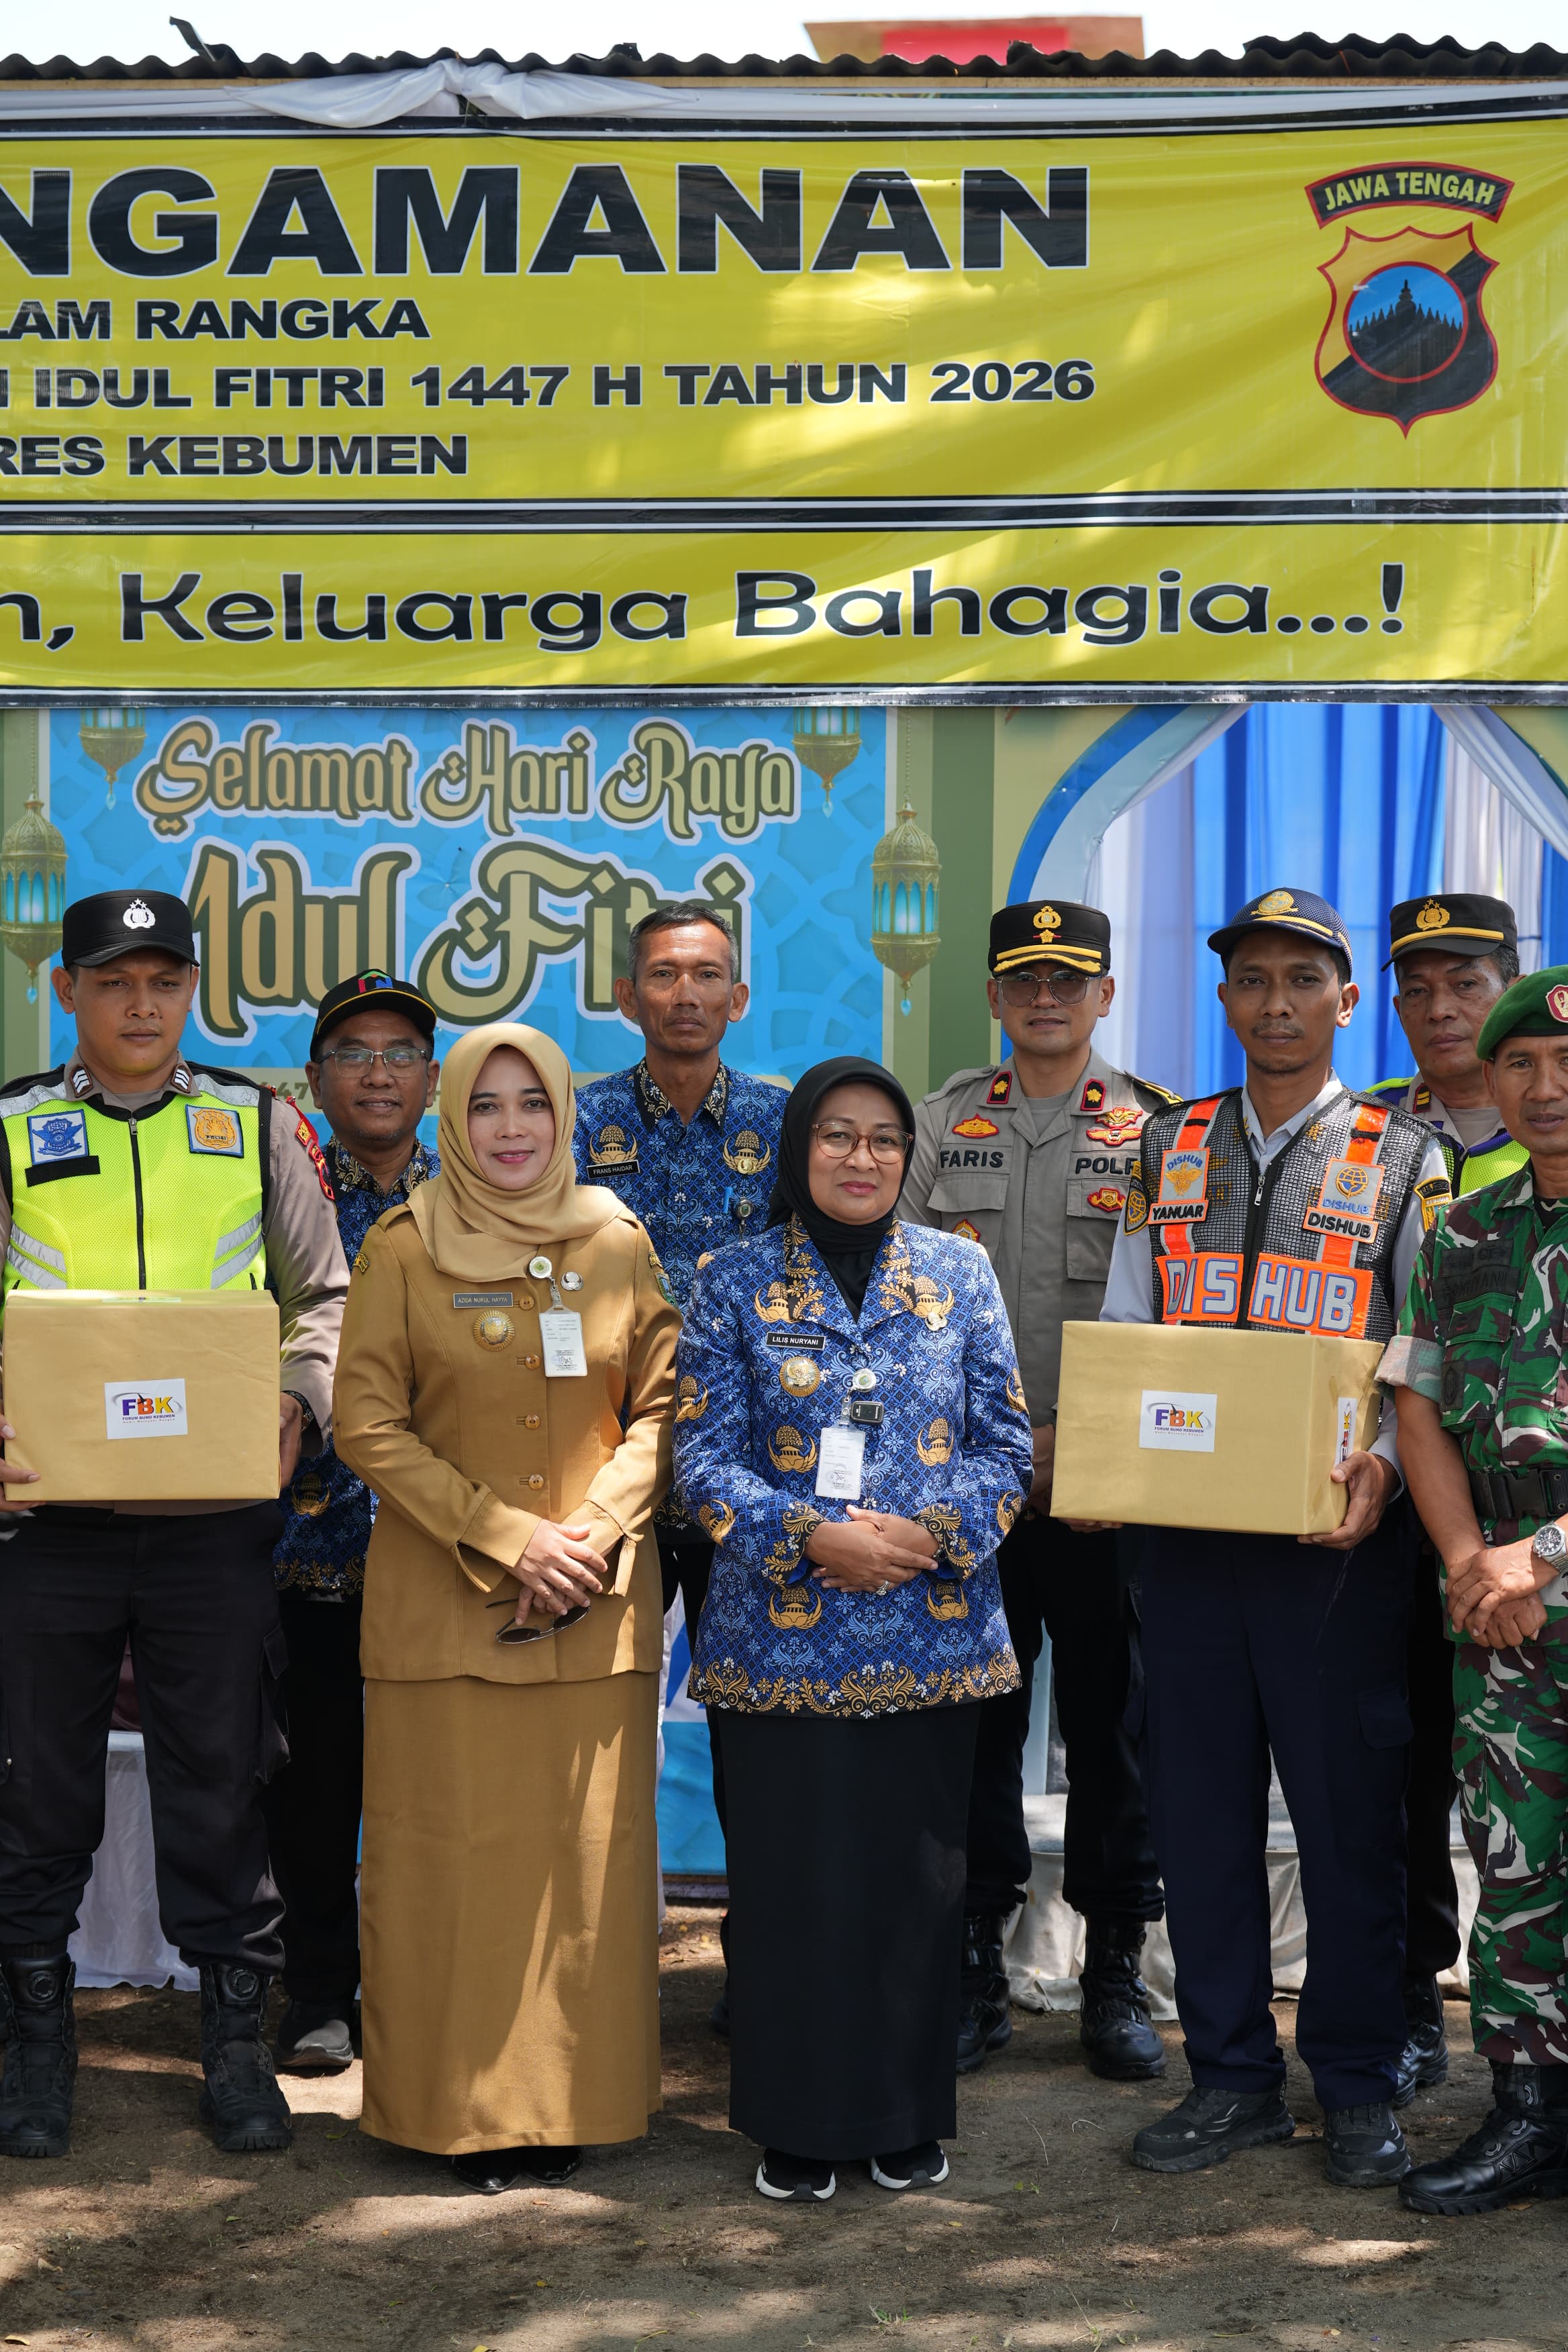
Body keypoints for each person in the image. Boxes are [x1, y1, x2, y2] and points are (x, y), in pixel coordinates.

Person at [1098, 887, 1451, 2187]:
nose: (1276, 1004)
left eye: (1303, 980)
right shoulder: (1165, 1143)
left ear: (1346, 1003)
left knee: (1348, 1816)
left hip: (1337, 1542)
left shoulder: (1405, 1154)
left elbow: (1421, 1345)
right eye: (1252, 980)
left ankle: (1356, 2081)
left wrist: (1383, 1467)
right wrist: (1110, 1456)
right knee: (1197, 1814)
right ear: (1224, 1000)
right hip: (1189, 1542)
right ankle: (1232, 2076)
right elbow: (1130, 1327)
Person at [0, 889, 346, 2159]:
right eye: (113, 981)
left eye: (163, 980)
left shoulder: (255, 1123)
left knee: (222, 1784)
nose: (141, 1004)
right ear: (67, 993)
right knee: (37, 1789)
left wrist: (299, 1405)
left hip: (212, 1524)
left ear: (193, 990)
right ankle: (37, 2049)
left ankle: (234, 2047)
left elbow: (325, 1295)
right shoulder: (10, 1126)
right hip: (50, 1526)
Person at [674, 1055, 1032, 2203]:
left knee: (914, 1890)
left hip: (929, 1633)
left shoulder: (959, 1271)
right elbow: (699, 1458)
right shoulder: (731, 1278)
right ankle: (796, 2121)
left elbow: (1007, 1447)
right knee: (793, 1890)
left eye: (883, 1138)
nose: (861, 1157)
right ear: (799, 1150)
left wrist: (928, 1533)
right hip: (780, 1643)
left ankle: (902, 2116)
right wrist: (809, 1537)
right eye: (836, 1135)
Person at [333, 1022, 678, 2193]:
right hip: (444, 1617)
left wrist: (595, 1530)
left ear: (565, 1114)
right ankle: (457, 2113)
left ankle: (572, 2103)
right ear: (453, 1118)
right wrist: (507, 1536)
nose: (513, 1128)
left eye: (534, 1104)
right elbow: (365, 1423)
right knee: (449, 1868)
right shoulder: (403, 1245)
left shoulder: (616, 1241)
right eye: (487, 1105)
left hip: (593, 1608)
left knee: (583, 1872)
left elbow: (663, 1409)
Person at [899, 899, 1176, 2081]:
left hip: (1108, 1487)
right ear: (996, 998)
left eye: (1071, 979)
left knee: (1116, 1729)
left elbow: (1177, 1318)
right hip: (969, 1488)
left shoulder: (1161, 1132)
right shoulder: (934, 1124)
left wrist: (1081, 1443)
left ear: (1106, 994)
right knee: (975, 1723)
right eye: (1026, 980)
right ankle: (974, 1963)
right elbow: (898, 1303)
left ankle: (1114, 1967)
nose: (1047, 998)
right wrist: (993, 1455)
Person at [574, 899, 786, 2024]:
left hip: (750, 1475)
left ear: (737, 997)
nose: (686, 994)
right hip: (606, 1473)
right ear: (628, 997)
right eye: (663, 975)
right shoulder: (575, 1122)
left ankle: (766, 1968)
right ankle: (602, 1969)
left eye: (707, 975)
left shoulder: (788, 1122)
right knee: (600, 1732)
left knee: (759, 1724)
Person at [1381, 965, 1568, 2215]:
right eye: (1522, 1066)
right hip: (1498, 1603)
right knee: (1517, 1858)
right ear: (1490, 1084)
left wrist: (1539, 1558)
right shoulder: (1463, 1231)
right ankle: (1530, 2110)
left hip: (1532, 1568)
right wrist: (1466, 1563)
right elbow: (1420, 1404)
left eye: (1567, 1065)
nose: (1546, 1087)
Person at [262, 970, 440, 2077]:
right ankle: (320, 1995)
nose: (378, 1073)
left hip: (439, 1553)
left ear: (433, 1078)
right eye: (354, 1054)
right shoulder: (281, 1189)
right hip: (306, 1547)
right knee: (315, 1789)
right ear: (316, 1078)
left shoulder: (474, 1193)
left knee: (434, 1793)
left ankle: (424, 1996)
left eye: (400, 1053)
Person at [1365, 894, 1523, 2111]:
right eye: (1416, 988)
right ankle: (1418, 1996)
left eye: (1465, 983)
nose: (1440, 1008)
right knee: (1408, 1760)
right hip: (1397, 1508)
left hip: (1534, 1526)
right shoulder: (1367, 1132)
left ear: (1509, 987)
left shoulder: (1551, 1124)